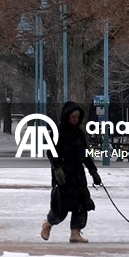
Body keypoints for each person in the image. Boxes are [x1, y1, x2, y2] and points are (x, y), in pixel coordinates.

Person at [41, 101, 102, 243]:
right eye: (73, 116)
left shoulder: (80, 134)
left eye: (77, 117)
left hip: (78, 175)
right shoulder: (58, 132)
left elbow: (85, 155)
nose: (75, 119)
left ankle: (75, 233)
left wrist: (93, 172)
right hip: (63, 175)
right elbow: (51, 152)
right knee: (61, 208)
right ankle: (48, 224)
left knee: (81, 206)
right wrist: (57, 169)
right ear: (67, 116)